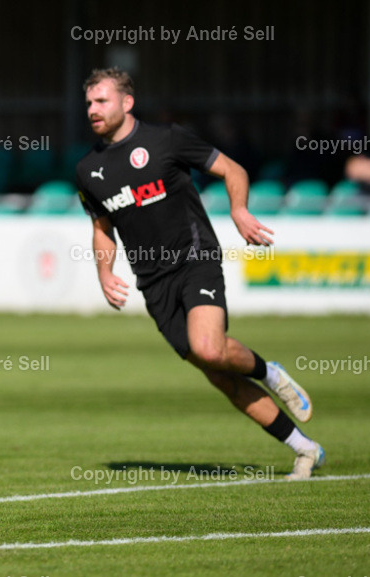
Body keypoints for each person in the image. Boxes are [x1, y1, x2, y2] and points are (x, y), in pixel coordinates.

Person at [73, 67, 324, 480]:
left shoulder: (166, 139)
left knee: (209, 348)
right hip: (153, 284)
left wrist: (239, 210)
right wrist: (104, 273)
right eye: (88, 104)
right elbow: (102, 229)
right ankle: (305, 449)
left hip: (194, 259)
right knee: (221, 377)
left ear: (127, 102)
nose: (93, 110)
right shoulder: (88, 170)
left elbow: (233, 170)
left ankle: (270, 372)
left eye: (101, 101)